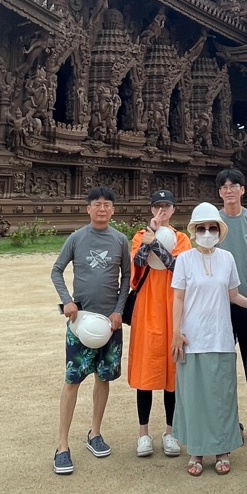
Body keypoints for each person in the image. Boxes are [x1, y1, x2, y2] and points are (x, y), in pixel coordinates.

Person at [50, 186, 131, 475]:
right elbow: (56, 270)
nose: (102, 209)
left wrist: (119, 310)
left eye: (107, 204)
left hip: (110, 323)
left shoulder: (120, 240)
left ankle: (94, 432)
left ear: (113, 210)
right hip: (80, 321)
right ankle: (62, 445)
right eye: (97, 204)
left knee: (103, 378)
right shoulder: (76, 238)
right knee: (72, 380)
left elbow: (126, 278)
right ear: (88, 209)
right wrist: (67, 301)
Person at [171, 202, 247, 476]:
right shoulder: (184, 259)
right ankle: (196, 450)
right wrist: (176, 332)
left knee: (221, 396)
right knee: (194, 397)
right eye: (202, 228)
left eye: (212, 228)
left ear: (219, 231)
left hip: (221, 337)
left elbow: (234, 295)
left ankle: (222, 449)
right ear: (194, 231)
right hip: (192, 338)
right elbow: (178, 298)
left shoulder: (227, 259)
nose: (207, 233)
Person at [128, 189, 192, 458]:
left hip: (173, 307)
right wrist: (150, 236)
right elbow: (138, 262)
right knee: (146, 368)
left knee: (172, 371)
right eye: (157, 206)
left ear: (174, 209)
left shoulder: (182, 238)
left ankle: (170, 431)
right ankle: (143, 433)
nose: (162, 211)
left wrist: (155, 242)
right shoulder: (140, 236)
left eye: (166, 206)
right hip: (147, 307)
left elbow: (175, 266)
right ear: (152, 209)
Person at [214, 167, 247, 441]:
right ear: (220, 192)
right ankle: (230, 420)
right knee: (223, 363)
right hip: (219, 305)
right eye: (224, 187)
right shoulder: (213, 221)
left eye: (234, 185)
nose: (229, 190)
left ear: (242, 190)